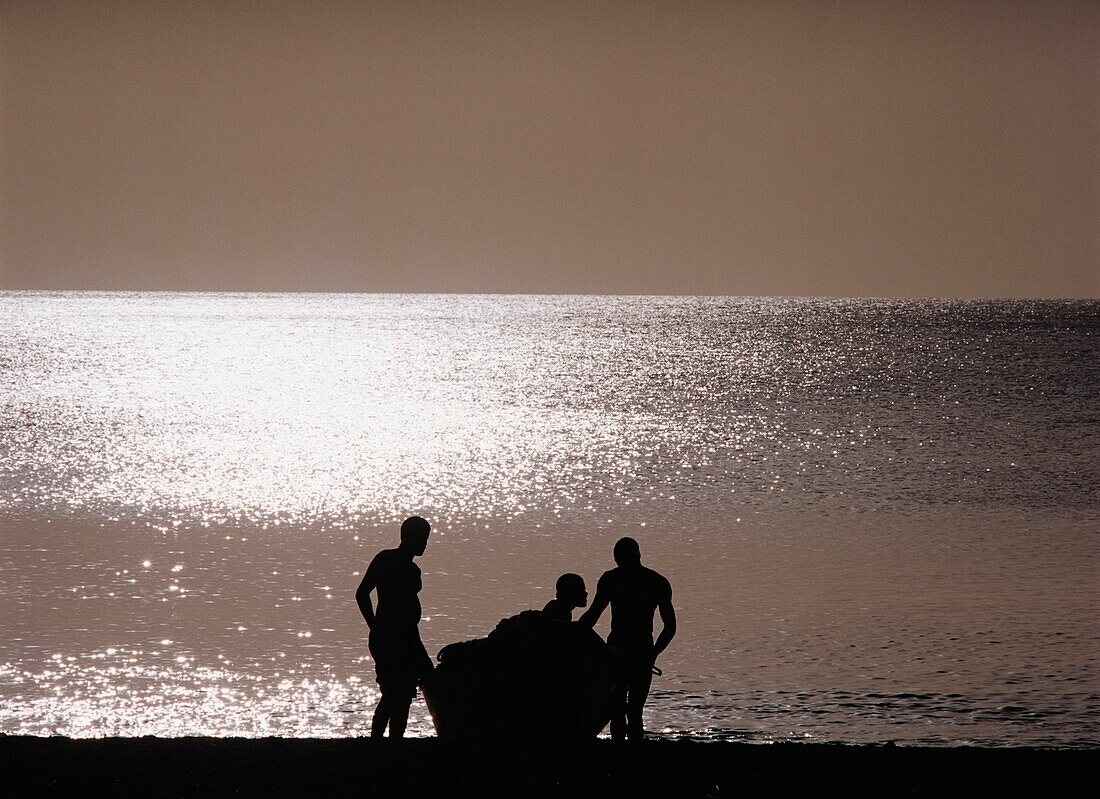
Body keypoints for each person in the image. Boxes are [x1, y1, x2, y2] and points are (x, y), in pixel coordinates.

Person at [578, 537, 676, 741]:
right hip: (639, 652)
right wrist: (653, 653)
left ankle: (621, 756)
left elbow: (592, 616)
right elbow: (670, 627)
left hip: (619, 652)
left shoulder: (611, 579)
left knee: (618, 709)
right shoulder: (657, 582)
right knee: (633, 710)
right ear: (638, 555)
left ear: (617, 558)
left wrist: (572, 634)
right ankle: (633, 757)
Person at [355, 515, 433, 738]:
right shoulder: (386, 560)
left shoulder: (413, 569)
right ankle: (378, 742)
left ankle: (393, 743)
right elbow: (362, 593)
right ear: (411, 538)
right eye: (423, 539)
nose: (425, 544)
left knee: (404, 694)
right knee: (392, 693)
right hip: (389, 638)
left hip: (409, 638)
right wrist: (374, 626)